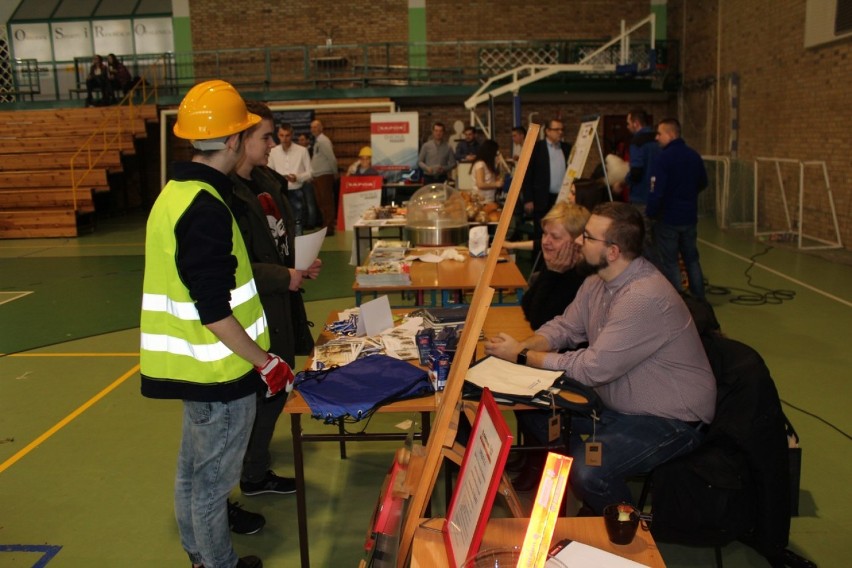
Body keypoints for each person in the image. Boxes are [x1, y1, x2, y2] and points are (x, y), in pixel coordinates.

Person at [140, 80, 294, 568]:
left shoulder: (176, 194)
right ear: (231, 141)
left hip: (193, 369)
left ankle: (199, 555)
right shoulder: (206, 207)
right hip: (222, 375)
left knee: (191, 472)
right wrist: (265, 362)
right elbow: (214, 309)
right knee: (210, 485)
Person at [484, 201, 716, 514]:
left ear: (613, 251)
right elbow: (565, 327)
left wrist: (524, 356)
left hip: (670, 419)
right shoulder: (597, 282)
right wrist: (523, 346)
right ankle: (594, 497)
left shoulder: (641, 297)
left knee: (589, 472)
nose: (579, 241)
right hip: (618, 406)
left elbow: (592, 368)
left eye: (588, 237)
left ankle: (627, 531)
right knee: (536, 412)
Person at [228, 101, 323, 534]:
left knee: (277, 388)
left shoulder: (266, 182)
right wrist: (284, 273)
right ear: (240, 139)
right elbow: (234, 263)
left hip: (281, 301)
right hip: (251, 312)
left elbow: (278, 238)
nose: (273, 144)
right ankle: (241, 476)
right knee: (246, 405)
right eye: (266, 137)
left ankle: (255, 471)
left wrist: (298, 265)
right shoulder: (225, 193)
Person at [646, 118, 709, 300]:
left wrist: (651, 213)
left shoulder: (663, 159)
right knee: (692, 260)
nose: (657, 138)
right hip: (689, 218)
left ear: (670, 134)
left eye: (659, 133)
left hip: (668, 220)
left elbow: (656, 191)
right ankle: (699, 299)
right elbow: (703, 182)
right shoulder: (694, 156)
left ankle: (679, 302)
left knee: (670, 262)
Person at [522, 119, 570, 245]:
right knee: (541, 233)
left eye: (562, 129)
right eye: (557, 129)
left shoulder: (567, 148)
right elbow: (527, 175)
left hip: (561, 199)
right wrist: (528, 199)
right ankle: (539, 262)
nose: (560, 132)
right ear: (547, 131)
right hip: (541, 198)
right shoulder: (536, 148)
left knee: (560, 232)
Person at [267, 122, 316, 234]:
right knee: (281, 223)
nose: (284, 138)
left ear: (292, 135)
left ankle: (298, 248)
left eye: (287, 135)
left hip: (296, 190)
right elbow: (269, 171)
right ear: (278, 135)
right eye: (281, 135)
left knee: (297, 221)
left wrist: (297, 177)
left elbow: (310, 172)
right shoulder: (273, 151)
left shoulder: (302, 151)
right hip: (279, 191)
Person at [620, 109, 659, 211]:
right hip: (658, 195)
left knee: (642, 226)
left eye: (628, 124)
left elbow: (636, 171)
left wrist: (624, 182)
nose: (627, 127)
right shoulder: (658, 139)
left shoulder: (637, 142)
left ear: (636, 123)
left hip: (641, 197)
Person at [309, 119, 338, 236]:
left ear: (321, 128)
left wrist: (335, 172)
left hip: (325, 175)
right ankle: (326, 225)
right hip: (318, 175)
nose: (313, 129)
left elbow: (331, 158)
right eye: (312, 127)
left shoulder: (324, 141)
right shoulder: (317, 141)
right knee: (321, 202)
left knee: (327, 202)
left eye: (316, 127)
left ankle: (329, 227)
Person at [469, 139, 504, 203]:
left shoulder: (488, 164)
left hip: (490, 199)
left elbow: (490, 179)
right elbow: (480, 184)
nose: (496, 155)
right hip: (482, 200)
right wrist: (496, 184)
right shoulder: (480, 164)